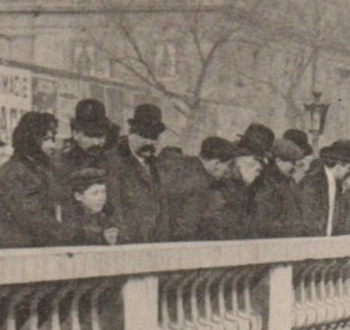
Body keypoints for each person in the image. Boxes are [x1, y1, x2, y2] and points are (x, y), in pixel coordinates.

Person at [0, 110, 77, 247]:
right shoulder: (14, 172)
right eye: (47, 139)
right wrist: (71, 233)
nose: (53, 145)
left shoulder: (42, 169)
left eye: (53, 138)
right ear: (31, 140)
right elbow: (31, 218)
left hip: (41, 247)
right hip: (20, 250)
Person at [102, 102, 168, 243]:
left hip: (153, 247)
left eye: (154, 137)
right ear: (131, 132)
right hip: (127, 246)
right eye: (144, 135)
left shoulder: (157, 165)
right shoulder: (113, 162)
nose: (150, 142)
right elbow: (113, 209)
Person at [160, 141, 230, 242]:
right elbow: (188, 224)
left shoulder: (177, 163)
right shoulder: (201, 181)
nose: (227, 171)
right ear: (217, 163)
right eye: (227, 165)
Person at [298, 139, 350, 237]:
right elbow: (310, 220)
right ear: (339, 166)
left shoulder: (336, 183)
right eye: (348, 170)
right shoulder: (315, 182)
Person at [61, 167, 119, 245]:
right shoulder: (68, 222)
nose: (101, 198)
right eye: (95, 193)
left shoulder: (106, 218)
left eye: (103, 192)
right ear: (78, 196)